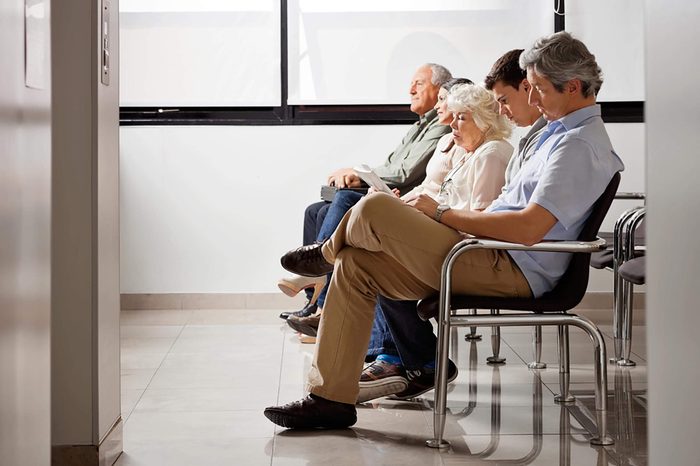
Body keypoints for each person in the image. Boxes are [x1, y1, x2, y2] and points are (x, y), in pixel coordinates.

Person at [264, 31, 624, 430]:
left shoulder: (577, 145)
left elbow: (528, 227)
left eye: (538, 90)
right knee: (356, 262)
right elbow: (513, 209)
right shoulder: (550, 135)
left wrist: (444, 214)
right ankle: (330, 398)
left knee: (375, 207)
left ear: (572, 87)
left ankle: (322, 258)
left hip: (511, 268)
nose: (532, 99)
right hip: (486, 251)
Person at [357, 48, 549, 402]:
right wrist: (422, 210)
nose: (451, 124)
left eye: (462, 117)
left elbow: (481, 220)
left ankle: (406, 357)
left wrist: (433, 213)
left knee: (375, 231)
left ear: (484, 119)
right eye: (453, 117)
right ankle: (397, 356)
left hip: (477, 248)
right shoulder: (472, 150)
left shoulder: (493, 153)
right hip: (465, 239)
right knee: (372, 239)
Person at [284, 77, 474, 338]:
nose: (412, 90)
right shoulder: (438, 136)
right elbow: (423, 182)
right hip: (415, 202)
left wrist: (367, 180)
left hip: (431, 216)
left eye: (420, 84)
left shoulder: (453, 138)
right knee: (318, 210)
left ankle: (322, 279)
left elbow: (411, 176)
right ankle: (319, 295)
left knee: (347, 206)